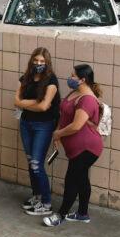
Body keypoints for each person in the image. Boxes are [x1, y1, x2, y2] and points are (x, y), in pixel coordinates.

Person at [44, 64, 104, 227]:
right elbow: (65, 115)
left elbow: (77, 125)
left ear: (82, 80)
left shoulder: (87, 99)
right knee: (82, 178)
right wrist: (58, 133)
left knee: (72, 180)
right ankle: (82, 213)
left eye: (73, 75)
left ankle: (60, 216)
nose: (70, 78)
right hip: (77, 148)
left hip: (87, 148)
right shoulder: (76, 92)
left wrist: (58, 134)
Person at [15, 48, 60, 217]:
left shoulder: (51, 81)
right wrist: (35, 103)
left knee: (36, 164)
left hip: (44, 125)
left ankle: (46, 203)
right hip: (26, 123)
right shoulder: (26, 77)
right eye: (36, 60)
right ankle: (37, 196)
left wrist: (25, 104)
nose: (39, 64)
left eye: (42, 61)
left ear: (47, 63)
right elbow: (16, 101)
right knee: (30, 162)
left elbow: (44, 107)